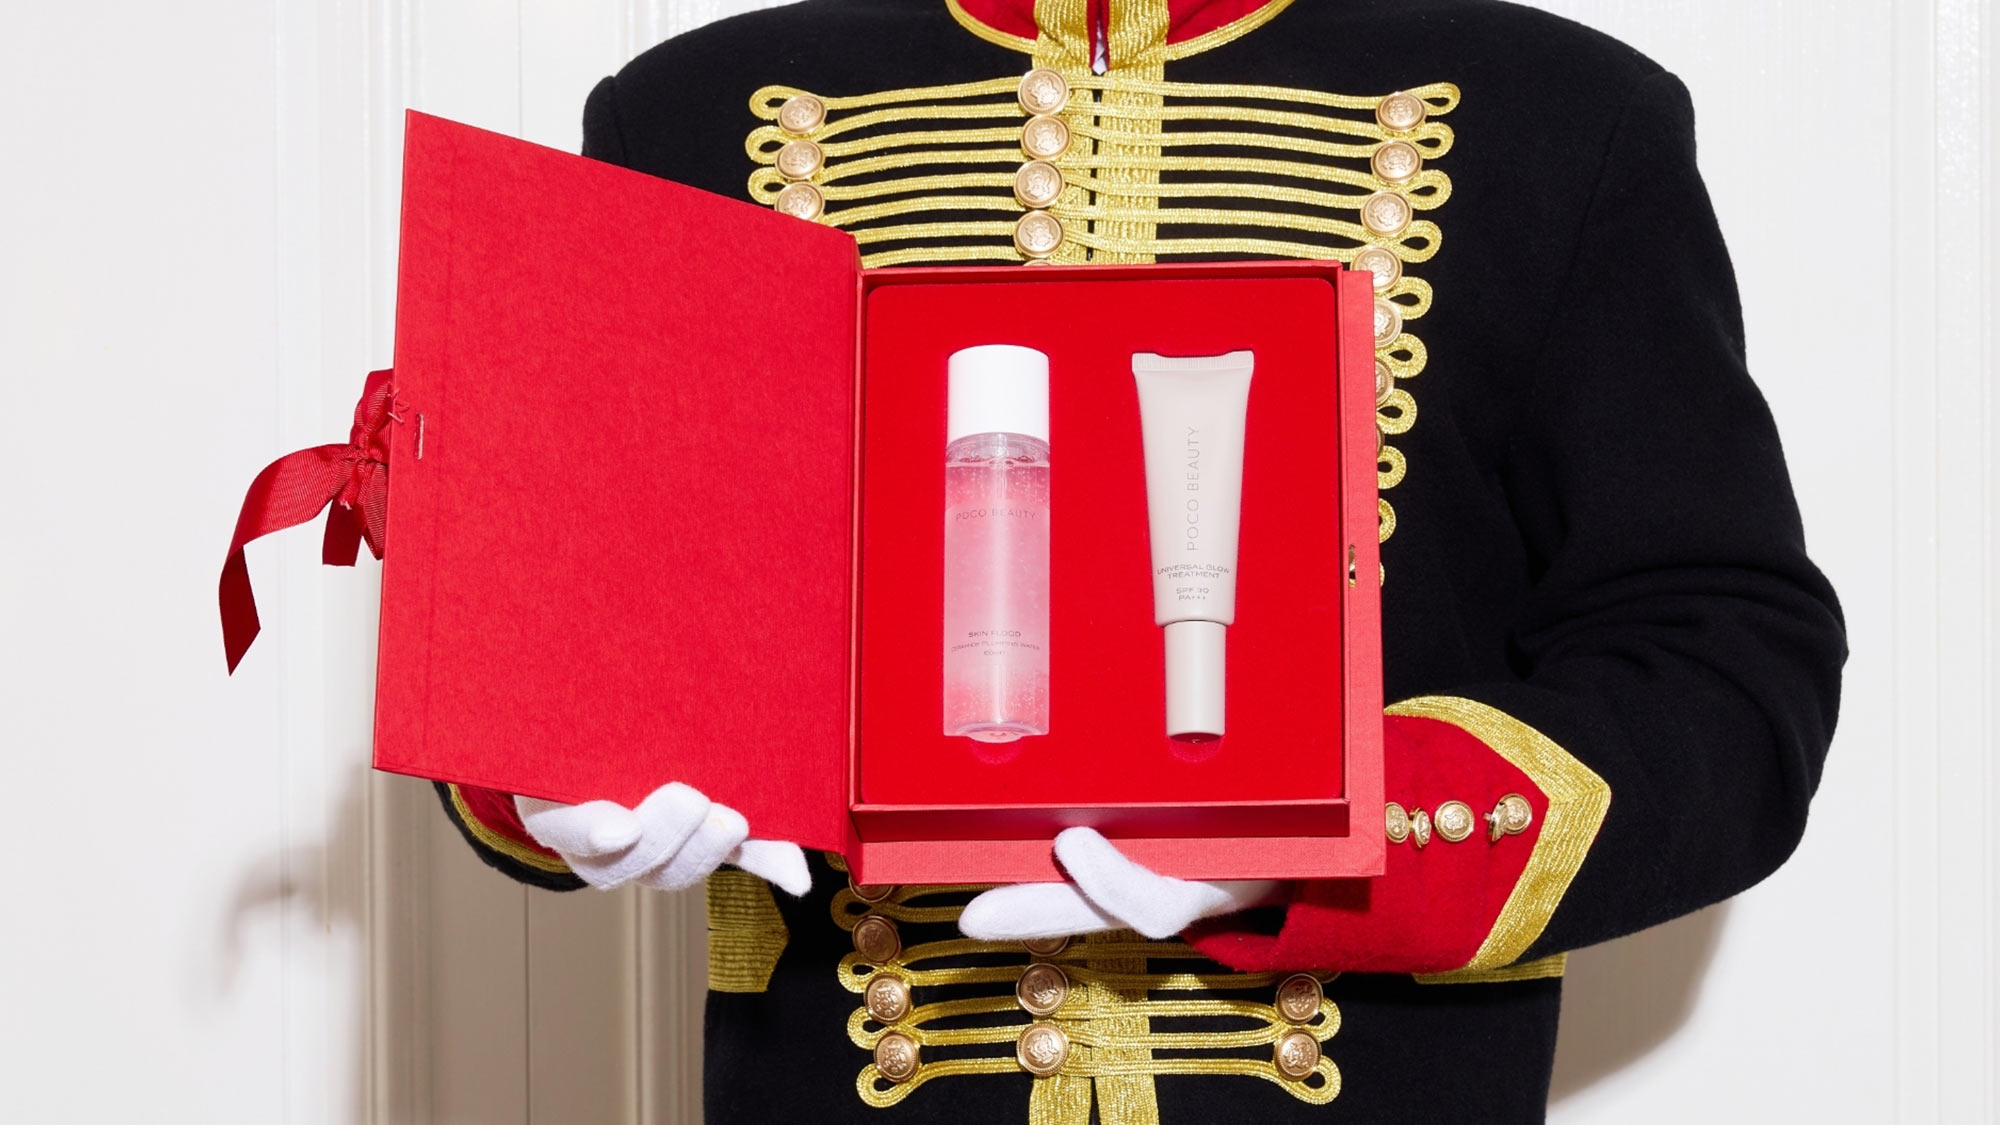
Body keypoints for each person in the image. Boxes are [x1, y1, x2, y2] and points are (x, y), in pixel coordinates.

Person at [435, 2, 1847, 1121]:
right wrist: (534, 763)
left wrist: (1338, 828)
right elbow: (565, 606)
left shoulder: (1564, 116)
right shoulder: (681, 116)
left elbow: (1726, 673)